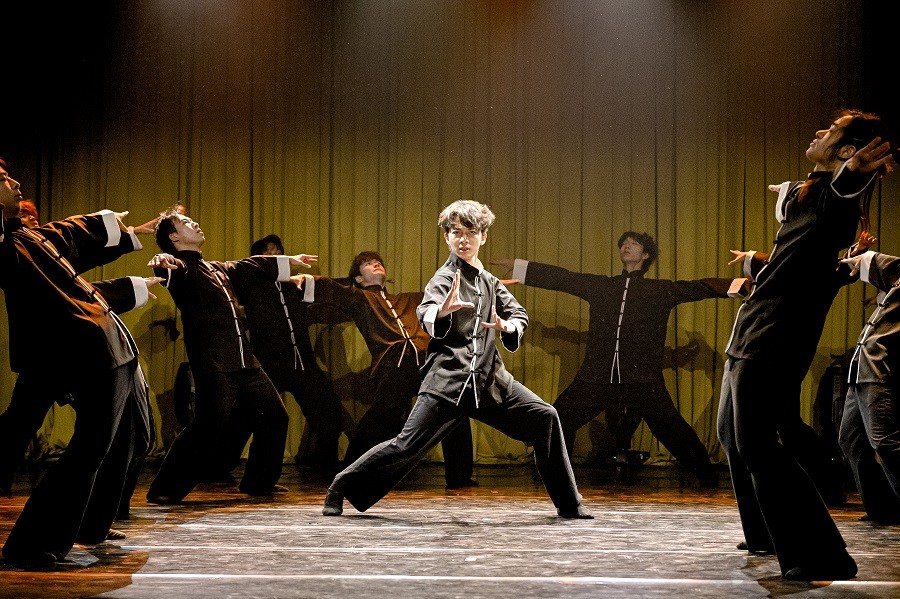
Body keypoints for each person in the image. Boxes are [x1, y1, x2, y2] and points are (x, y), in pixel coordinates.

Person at [321, 199, 593, 519]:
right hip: (448, 382)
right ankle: (340, 486)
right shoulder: (443, 278)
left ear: (483, 236)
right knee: (406, 445)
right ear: (447, 238)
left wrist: (510, 326)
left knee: (546, 416)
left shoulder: (490, 282)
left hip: (490, 382)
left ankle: (569, 503)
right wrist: (440, 312)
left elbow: (518, 313)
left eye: (471, 232)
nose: (463, 239)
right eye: (456, 233)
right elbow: (427, 310)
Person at [717, 108, 894, 581]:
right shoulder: (810, 196)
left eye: (831, 131)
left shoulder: (836, 198)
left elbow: (843, 192)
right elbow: (803, 231)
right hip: (754, 328)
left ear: (847, 151)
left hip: (775, 335)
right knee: (736, 439)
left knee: (758, 445)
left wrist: (857, 171)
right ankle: (771, 536)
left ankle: (822, 555)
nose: (819, 131)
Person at [492, 232, 748, 487]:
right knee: (558, 418)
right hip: (597, 376)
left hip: (641, 379)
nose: (626, 246)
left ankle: (708, 477)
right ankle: (555, 477)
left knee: (671, 428)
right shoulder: (603, 287)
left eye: (633, 244)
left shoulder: (659, 290)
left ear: (645, 255)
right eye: (624, 243)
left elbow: (699, 287)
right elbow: (564, 279)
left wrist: (742, 285)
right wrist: (521, 267)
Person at [0, 158, 155, 570]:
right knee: (87, 449)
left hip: (106, 347)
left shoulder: (27, 237)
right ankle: (31, 544)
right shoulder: (6, 245)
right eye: (3, 180)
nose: (15, 183)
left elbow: (65, 233)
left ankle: (88, 525)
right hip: (83, 350)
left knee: (122, 442)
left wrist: (114, 228)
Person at [145, 208, 315, 503]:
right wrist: (163, 261)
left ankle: (259, 482)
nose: (194, 223)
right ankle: (164, 489)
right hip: (215, 364)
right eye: (185, 223)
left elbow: (249, 265)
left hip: (245, 362)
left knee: (275, 416)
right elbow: (169, 266)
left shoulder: (216, 268)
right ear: (173, 237)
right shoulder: (182, 268)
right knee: (207, 426)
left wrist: (289, 260)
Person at [296, 250, 476, 488]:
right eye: (368, 263)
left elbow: (446, 294)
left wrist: (480, 286)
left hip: (426, 364)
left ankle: (459, 478)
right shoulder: (359, 298)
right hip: (394, 367)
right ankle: (349, 475)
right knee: (381, 419)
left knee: (453, 409)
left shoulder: (408, 299)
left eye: (378, 262)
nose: (375, 264)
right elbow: (331, 289)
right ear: (359, 278)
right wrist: (304, 280)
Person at [227, 233, 343, 476]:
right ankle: (226, 468)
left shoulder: (294, 285)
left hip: (302, 362)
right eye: (268, 252)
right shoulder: (249, 285)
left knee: (328, 410)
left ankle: (330, 469)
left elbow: (333, 288)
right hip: (267, 364)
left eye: (278, 251)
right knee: (249, 417)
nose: (274, 255)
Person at [838, 248, 900, 524]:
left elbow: (886, 266)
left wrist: (860, 258)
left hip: (879, 370)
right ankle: (882, 508)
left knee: (885, 442)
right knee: (851, 439)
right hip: (861, 370)